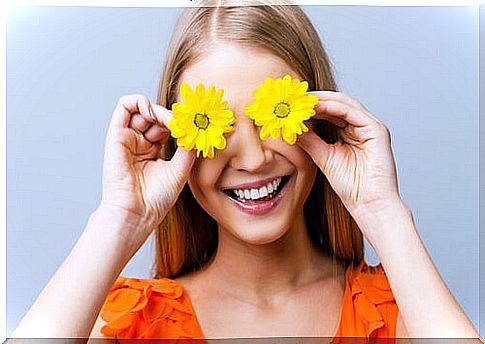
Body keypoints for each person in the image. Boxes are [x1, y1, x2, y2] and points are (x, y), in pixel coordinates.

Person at [10, 0, 481, 341]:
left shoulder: (399, 314)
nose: (253, 158)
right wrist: (118, 218)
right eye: (217, 126)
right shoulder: (129, 324)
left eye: (272, 118)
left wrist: (383, 212)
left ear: (318, 117)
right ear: (178, 139)